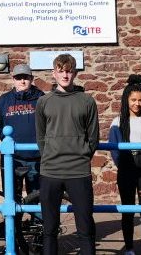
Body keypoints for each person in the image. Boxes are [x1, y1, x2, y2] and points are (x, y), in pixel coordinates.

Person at [35, 53, 99, 255]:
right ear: (54, 73)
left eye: (69, 71)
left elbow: (93, 138)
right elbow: (41, 137)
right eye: (61, 71)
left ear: (75, 73)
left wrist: (81, 155)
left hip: (78, 171)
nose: (65, 75)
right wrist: (50, 155)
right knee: (49, 229)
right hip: (50, 171)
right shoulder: (43, 102)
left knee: (86, 227)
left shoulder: (87, 101)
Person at [108, 74, 141, 255]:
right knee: (127, 209)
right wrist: (123, 166)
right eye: (133, 100)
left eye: (140, 100)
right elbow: (114, 150)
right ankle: (129, 248)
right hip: (126, 167)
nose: (137, 104)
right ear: (126, 100)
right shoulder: (117, 122)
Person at [0, 63, 45, 202]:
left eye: (26, 77)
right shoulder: (4, 100)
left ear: (31, 78)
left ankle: (37, 223)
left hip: (37, 156)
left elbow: (48, 123)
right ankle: (14, 224)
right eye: (19, 78)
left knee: (37, 196)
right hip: (12, 157)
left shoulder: (42, 98)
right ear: (13, 79)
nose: (22, 81)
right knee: (11, 197)